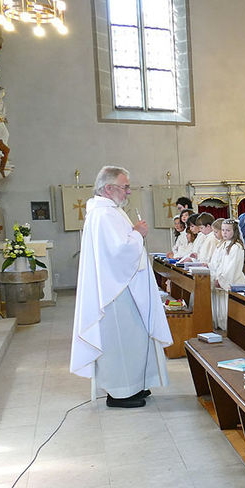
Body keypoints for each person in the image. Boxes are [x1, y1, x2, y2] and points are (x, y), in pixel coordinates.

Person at [71, 165, 171, 409]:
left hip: (122, 287)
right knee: (120, 342)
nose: (128, 192)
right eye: (125, 187)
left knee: (132, 340)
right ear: (108, 188)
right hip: (114, 292)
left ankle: (133, 385)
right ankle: (119, 393)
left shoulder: (110, 211)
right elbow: (119, 252)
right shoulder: (104, 214)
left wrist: (135, 234)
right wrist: (138, 234)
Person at [210, 218, 245, 330]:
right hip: (220, 279)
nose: (224, 233)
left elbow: (232, 267)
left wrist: (221, 280)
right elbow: (216, 263)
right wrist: (214, 275)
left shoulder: (236, 247)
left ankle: (228, 331)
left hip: (232, 282)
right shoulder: (223, 244)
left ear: (234, 231)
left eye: (228, 230)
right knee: (220, 309)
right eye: (223, 230)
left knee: (227, 310)